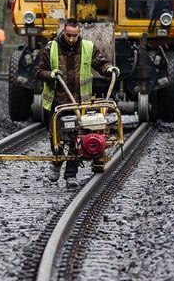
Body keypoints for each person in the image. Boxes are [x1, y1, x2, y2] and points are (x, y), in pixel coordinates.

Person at [33, 17, 116, 182]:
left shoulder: (87, 47)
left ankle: (71, 174)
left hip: (80, 103)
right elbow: (38, 70)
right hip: (58, 103)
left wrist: (109, 68)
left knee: (76, 138)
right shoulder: (51, 48)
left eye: (75, 36)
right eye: (68, 35)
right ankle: (57, 164)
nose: (71, 39)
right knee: (56, 137)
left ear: (79, 33)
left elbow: (100, 63)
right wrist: (50, 75)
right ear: (63, 32)